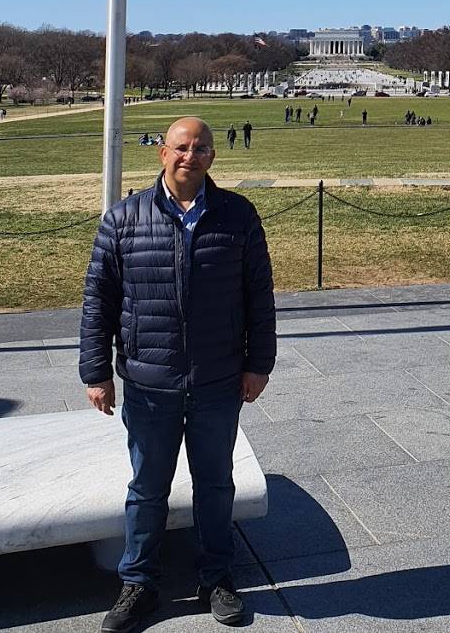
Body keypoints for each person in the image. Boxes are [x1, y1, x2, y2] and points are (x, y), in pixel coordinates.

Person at [80, 117, 275, 632]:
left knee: (215, 484)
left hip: (216, 379)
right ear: (162, 153)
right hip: (150, 381)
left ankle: (216, 577)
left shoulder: (237, 215)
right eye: (182, 147)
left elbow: (260, 295)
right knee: (147, 487)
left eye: (202, 148)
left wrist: (260, 363)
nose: (191, 155)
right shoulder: (124, 219)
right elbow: (98, 303)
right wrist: (97, 373)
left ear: (213, 156)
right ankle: (138, 583)